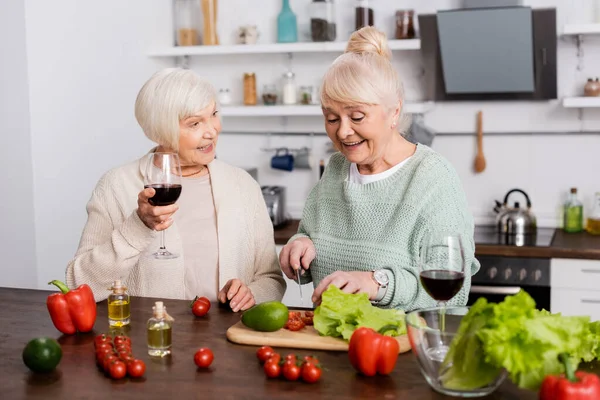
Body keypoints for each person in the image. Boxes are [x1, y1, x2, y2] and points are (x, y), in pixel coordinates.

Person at [279, 27, 479, 311]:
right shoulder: (336, 169)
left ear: (394, 112)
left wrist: (377, 284)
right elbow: (311, 235)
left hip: (406, 345)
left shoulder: (433, 178)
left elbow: (452, 292)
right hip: (334, 341)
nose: (344, 132)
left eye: (357, 116)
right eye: (332, 118)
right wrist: (300, 247)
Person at [66, 68, 285, 311]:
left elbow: (272, 279)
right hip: (151, 338)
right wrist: (139, 226)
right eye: (194, 123)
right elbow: (79, 283)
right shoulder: (116, 186)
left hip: (228, 339)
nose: (212, 130)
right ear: (162, 130)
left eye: (213, 114)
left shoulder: (243, 185)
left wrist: (252, 294)